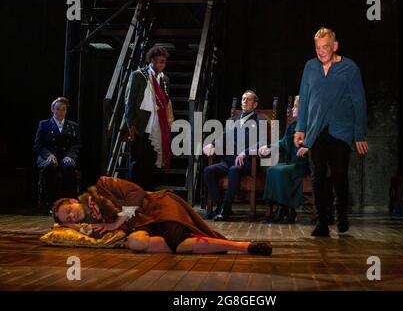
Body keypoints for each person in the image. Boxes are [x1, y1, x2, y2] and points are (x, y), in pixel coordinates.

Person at [52, 176, 272, 255]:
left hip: (156, 207)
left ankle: (243, 246)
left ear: (73, 200)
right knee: (136, 243)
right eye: (67, 219)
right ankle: (179, 243)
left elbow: (136, 193)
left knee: (183, 245)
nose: (71, 216)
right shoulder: (95, 222)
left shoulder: (103, 185)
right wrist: (71, 227)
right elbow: (94, 234)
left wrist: (117, 222)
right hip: (141, 224)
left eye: (68, 211)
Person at [294, 27, 369, 237]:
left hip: (341, 130)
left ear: (334, 46)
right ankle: (322, 222)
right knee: (318, 176)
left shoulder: (349, 68)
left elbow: (359, 101)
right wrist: (301, 128)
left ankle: (341, 213)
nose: (321, 52)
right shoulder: (310, 67)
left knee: (339, 174)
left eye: (325, 47)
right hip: (316, 130)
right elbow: (305, 99)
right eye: (318, 48)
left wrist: (359, 133)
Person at [202, 91, 261, 221]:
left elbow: (260, 143)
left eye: (248, 99)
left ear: (255, 104)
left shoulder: (259, 120)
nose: (244, 101)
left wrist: (245, 152)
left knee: (234, 169)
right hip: (229, 160)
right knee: (208, 171)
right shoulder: (232, 120)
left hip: (247, 162)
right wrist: (212, 144)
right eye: (243, 99)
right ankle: (220, 206)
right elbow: (223, 137)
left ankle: (226, 210)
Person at [125, 45, 174, 191]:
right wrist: (131, 124)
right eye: (160, 61)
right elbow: (129, 101)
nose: (162, 65)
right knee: (138, 162)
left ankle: (148, 193)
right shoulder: (139, 75)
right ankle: (134, 194)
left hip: (157, 125)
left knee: (151, 161)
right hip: (141, 124)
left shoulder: (165, 79)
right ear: (152, 60)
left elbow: (166, 102)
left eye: (164, 62)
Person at [259, 96, 309, 224]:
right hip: (292, 163)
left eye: (296, 106)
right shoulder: (293, 125)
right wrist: (269, 147)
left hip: (304, 164)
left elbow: (316, 142)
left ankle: (284, 209)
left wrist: (309, 148)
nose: (292, 109)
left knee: (281, 172)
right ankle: (283, 208)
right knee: (272, 170)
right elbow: (284, 142)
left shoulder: (310, 125)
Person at [34, 97, 81, 207]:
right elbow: (38, 144)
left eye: (64, 109)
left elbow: (77, 144)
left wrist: (70, 156)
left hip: (65, 156)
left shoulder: (73, 126)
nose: (61, 111)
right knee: (50, 166)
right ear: (52, 110)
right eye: (58, 109)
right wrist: (48, 155)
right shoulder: (44, 124)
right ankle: (51, 202)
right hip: (48, 155)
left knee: (69, 167)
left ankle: (70, 202)